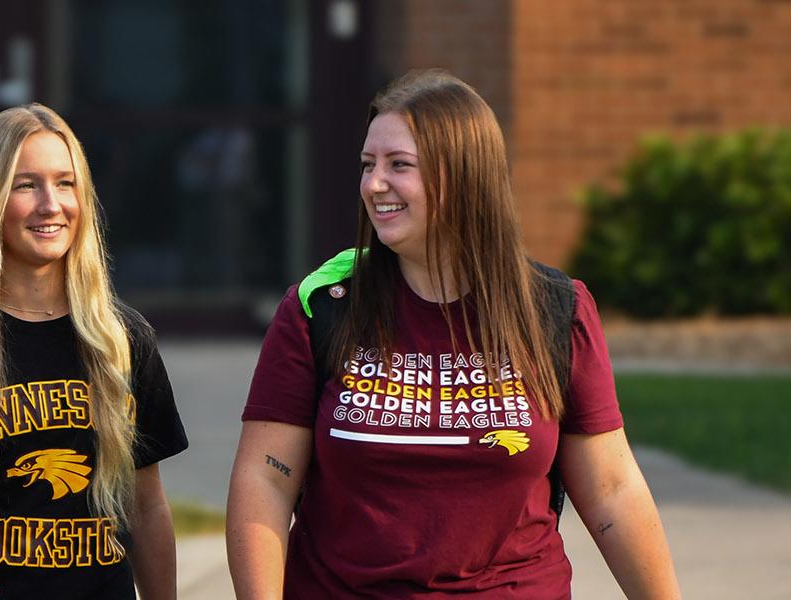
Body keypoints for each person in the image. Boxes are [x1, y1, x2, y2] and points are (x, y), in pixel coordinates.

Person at [225, 69, 681, 598]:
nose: (374, 185)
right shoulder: (323, 305)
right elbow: (265, 481)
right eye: (368, 165)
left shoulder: (554, 308)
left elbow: (612, 492)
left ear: (464, 177)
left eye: (400, 166)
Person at [0, 104, 190, 599]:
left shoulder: (123, 338)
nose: (52, 204)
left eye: (65, 183)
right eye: (26, 185)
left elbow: (146, 505)